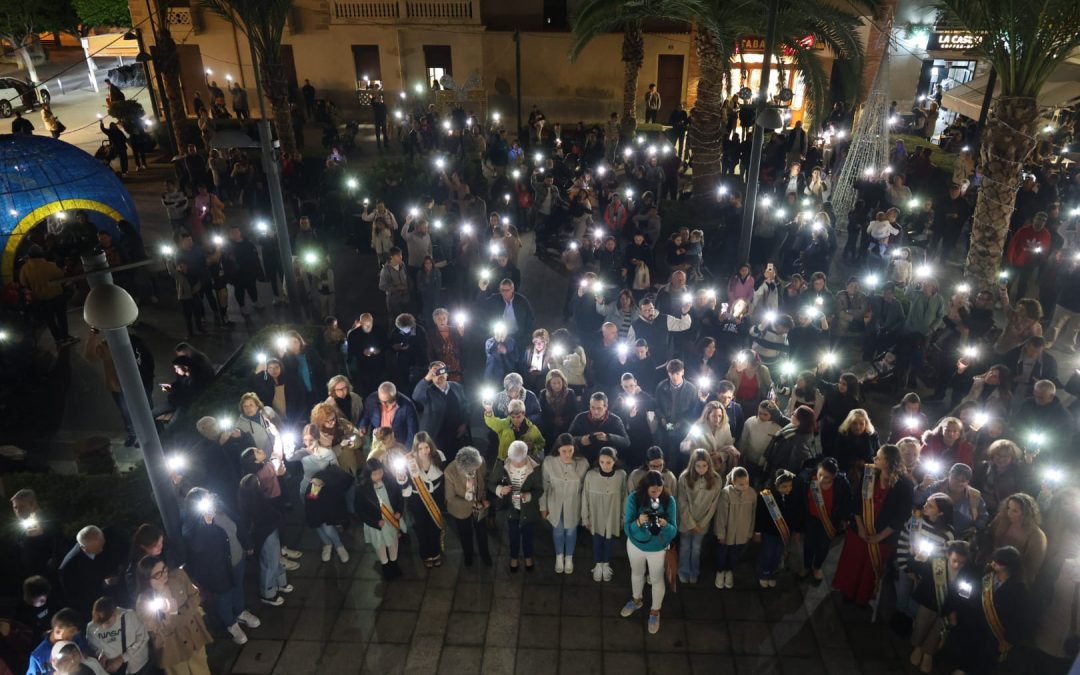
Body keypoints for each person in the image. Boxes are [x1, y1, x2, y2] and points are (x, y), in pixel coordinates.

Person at [832, 445, 915, 605]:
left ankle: (863, 597)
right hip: (859, 531)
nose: (874, 460)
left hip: (884, 537)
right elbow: (856, 502)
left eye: (879, 457)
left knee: (870, 569)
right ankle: (848, 592)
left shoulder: (905, 485)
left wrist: (879, 537)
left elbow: (901, 516)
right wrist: (861, 529)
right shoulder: (869, 474)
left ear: (888, 461)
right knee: (853, 562)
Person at [950, 546, 1026, 674]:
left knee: (984, 657)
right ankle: (962, 668)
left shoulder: (1019, 589)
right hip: (975, 622)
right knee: (967, 648)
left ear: (1008, 566)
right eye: (994, 559)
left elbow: (1017, 617)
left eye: (998, 561)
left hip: (994, 631)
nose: (993, 562)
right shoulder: (987, 575)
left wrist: (1009, 639)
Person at [133, 556, 213, 675]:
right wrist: (170, 612)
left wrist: (186, 612)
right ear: (147, 579)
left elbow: (195, 595)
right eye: (158, 574)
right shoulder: (144, 602)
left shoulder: (178, 576)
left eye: (164, 569)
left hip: (192, 631)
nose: (165, 574)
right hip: (172, 645)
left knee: (201, 667)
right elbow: (158, 631)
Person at [620, 470, 677, 634]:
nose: (656, 494)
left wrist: (665, 525)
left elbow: (674, 532)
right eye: (653, 491)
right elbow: (627, 529)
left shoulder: (668, 501)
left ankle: (655, 611)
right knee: (637, 573)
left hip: (657, 549)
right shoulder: (634, 498)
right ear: (645, 488)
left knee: (657, 579)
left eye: (659, 490)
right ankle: (637, 600)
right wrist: (638, 522)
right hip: (636, 545)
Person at [489, 440, 544, 572]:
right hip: (511, 508)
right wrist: (500, 490)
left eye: (520, 461)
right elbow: (490, 483)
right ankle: (513, 556)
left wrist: (528, 496)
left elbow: (539, 489)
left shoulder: (535, 467)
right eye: (514, 461)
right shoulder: (502, 465)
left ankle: (528, 556)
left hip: (528, 509)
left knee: (528, 535)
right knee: (512, 534)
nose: (517, 464)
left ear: (526, 456)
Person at [540, 434, 589, 574]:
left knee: (571, 532)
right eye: (564, 451)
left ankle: (569, 557)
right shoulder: (549, 463)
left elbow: (586, 490)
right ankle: (559, 555)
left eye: (570, 451)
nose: (567, 455)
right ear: (558, 450)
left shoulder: (583, 463)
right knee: (558, 530)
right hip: (554, 503)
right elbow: (545, 486)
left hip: (574, 504)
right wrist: (543, 507)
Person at [399, 432, 447, 568]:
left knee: (435, 526)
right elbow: (403, 482)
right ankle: (426, 554)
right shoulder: (408, 460)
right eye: (420, 448)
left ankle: (436, 552)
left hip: (435, 496)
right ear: (415, 448)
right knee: (421, 527)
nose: (424, 451)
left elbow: (443, 478)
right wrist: (401, 476)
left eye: (426, 447)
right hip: (417, 499)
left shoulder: (439, 456)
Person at [582, 447, 627, 582]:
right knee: (597, 541)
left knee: (609, 541)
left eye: (608, 462)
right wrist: (585, 517)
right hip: (596, 515)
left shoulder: (621, 475)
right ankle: (598, 564)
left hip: (613, 514)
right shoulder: (591, 475)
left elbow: (625, 496)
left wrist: (623, 517)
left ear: (614, 461)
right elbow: (585, 497)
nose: (605, 466)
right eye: (602, 462)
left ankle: (606, 564)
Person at [676, 448, 721, 584]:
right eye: (698, 466)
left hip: (702, 523)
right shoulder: (684, 477)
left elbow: (714, 504)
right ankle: (683, 570)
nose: (701, 469)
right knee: (685, 547)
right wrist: (691, 523)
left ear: (709, 465)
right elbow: (682, 502)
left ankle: (694, 571)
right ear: (692, 465)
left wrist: (702, 523)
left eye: (704, 466)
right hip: (686, 521)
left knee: (696, 549)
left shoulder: (716, 479)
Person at [59, 526, 123, 619]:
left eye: (102, 544)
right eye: (97, 549)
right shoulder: (69, 567)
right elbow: (76, 597)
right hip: (91, 607)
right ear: (84, 548)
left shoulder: (103, 539)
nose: (102, 550)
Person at [444, 446, 492, 567]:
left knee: (482, 532)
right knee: (465, 534)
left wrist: (484, 498)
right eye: (474, 469)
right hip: (460, 509)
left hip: (479, 505)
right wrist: (474, 503)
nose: (477, 470)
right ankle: (468, 556)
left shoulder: (480, 461)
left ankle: (485, 555)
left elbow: (485, 480)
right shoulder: (450, 471)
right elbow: (450, 498)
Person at [984, 492, 1046, 585]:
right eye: (1008, 508)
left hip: (1013, 580)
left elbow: (1031, 568)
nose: (1009, 513)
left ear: (1026, 513)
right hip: (990, 570)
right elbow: (989, 536)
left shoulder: (1037, 537)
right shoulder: (1002, 520)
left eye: (1015, 511)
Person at [20, 244, 75, 345]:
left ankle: (57, 339)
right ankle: (65, 337)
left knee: (50, 320)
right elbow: (61, 275)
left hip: (40, 298)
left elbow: (23, 282)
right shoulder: (50, 265)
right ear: (41, 254)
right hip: (56, 295)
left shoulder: (25, 269)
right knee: (61, 317)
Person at [713, 466, 757, 589]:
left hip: (742, 533)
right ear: (733, 482)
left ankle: (729, 570)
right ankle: (720, 571)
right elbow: (721, 516)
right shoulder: (726, 493)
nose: (745, 486)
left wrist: (749, 533)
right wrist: (721, 534)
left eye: (747, 483)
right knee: (722, 553)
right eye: (741, 484)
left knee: (734, 554)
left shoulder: (752, 494)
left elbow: (753, 515)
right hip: (727, 533)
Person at [86, 596, 151, 675]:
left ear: (115, 613)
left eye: (107, 622)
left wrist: (122, 658)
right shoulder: (91, 628)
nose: (104, 626)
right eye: (100, 623)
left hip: (137, 666)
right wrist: (100, 655)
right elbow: (93, 646)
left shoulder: (130, 616)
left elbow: (143, 638)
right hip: (114, 671)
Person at [755, 469, 796, 588]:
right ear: (776, 485)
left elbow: (793, 515)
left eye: (790, 486)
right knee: (767, 553)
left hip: (783, 533)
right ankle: (764, 573)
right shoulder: (766, 496)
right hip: (769, 532)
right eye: (784, 486)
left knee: (778, 554)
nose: (788, 489)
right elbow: (760, 516)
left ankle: (772, 572)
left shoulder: (791, 497)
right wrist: (757, 532)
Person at [567, 391, 630, 464]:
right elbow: (568, 438)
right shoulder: (580, 418)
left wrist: (608, 437)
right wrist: (581, 440)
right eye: (592, 407)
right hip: (583, 459)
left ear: (606, 407)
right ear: (589, 406)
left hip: (607, 461)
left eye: (599, 408)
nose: (595, 411)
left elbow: (626, 442)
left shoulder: (615, 420)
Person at [27, 609, 92, 675]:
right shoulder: (38, 655)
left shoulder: (76, 639)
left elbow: (87, 653)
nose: (73, 636)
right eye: (71, 631)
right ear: (57, 631)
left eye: (76, 633)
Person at [763, 405, 815, 477]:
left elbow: (792, 467)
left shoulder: (799, 443)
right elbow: (781, 419)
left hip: (779, 472)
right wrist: (773, 408)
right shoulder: (794, 426)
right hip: (774, 465)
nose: (791, 414)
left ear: (800, 421)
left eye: (794, 414)